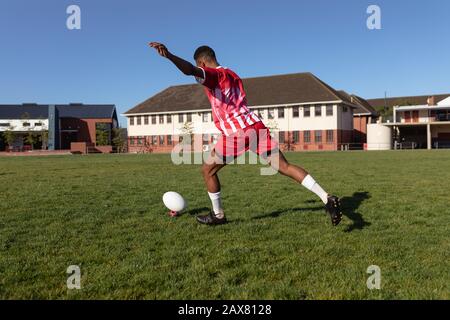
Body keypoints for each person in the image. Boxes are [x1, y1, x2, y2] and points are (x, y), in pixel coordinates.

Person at [149, 42, 342, 226]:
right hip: (256, 127)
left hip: (237, 132)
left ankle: (218, 215)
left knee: (207, 170)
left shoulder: (214, 75)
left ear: (202, 63)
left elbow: (189, 70)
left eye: (199, 67)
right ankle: (327, 197)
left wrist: (170, 56)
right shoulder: (233, 74)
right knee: (284, 166)